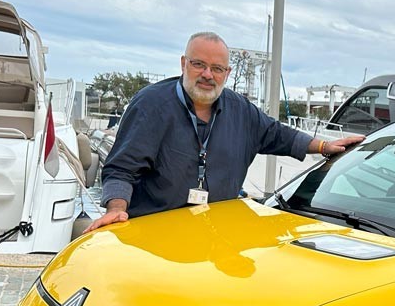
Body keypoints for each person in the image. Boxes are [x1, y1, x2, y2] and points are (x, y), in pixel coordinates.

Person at [87, 31, 362, 231]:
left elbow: (279, 135)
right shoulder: (150, 105)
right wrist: (117, 210)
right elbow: (121, 169)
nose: (208, 74)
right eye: (199, 64)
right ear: (184, 63)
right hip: (155, 235)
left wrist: (325, 148)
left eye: (217, 68)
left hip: (216, 236)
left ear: (227, 73)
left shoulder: (241, 110)